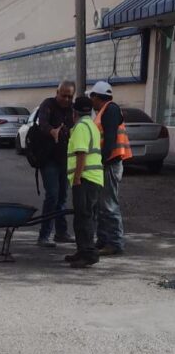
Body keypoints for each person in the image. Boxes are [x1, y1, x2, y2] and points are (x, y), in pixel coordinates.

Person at [89, 81, 131, 256]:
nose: (91, 101)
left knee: (109, 205)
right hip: (107, 163)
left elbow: (110, 140)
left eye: (92, 97)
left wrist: (102, 161)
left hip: (110, 163)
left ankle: (115, 243)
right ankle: (104, 240)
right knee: (101, 205)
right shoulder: (105, 110)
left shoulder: (110, 110)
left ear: (96, 97)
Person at [36, 81, 76, 248]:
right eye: (63, 95)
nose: (66, 99)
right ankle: (44, 235)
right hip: (49, 159)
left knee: (62, 197)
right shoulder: (48, 104)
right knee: (52, 195)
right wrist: (52, 131)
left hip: (65, 159)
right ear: (57, 92)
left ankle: (61, 233)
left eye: (69, 96)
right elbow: (42, 123)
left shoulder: (72, 110)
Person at [65, 97, 104, 268]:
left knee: (84, 217)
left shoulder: (81, 127)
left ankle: (88, 253)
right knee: (83, 216)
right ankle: (82, 251)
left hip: (85, 179)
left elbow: (81, 154)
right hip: (92, 178)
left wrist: (77, 178)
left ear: (75, 112)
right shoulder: (92, 125)